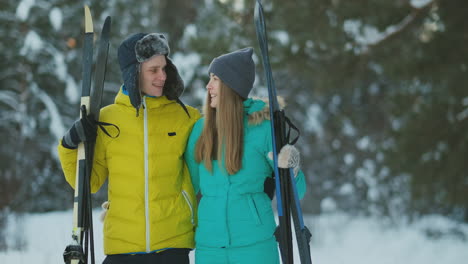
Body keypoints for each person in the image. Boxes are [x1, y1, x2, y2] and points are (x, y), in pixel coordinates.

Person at [58, 32, 201, 263]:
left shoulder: (186, 117)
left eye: (164, 68)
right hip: (122, 246)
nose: (162, 76)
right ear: (134, 73)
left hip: (172, 244)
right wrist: (68, 145)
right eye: (153, 70)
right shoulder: (107, 118)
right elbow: (88, 183)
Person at [184, 47, 306, 264]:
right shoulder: (201, 130)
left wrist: (293, 170)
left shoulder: (263, 129)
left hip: (255, 247)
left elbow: (293, 194)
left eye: (215, 79)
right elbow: (185, 187)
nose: (208, 86)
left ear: (232, 85)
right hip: (209, 249)